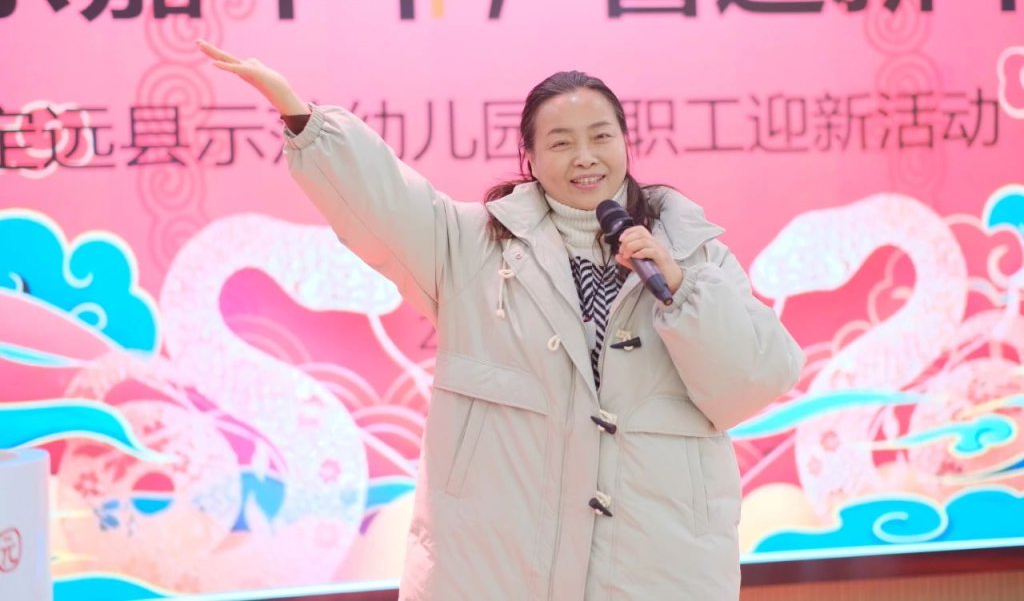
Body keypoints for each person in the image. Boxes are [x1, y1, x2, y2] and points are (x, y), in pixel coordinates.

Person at [197, 39, 805, 600]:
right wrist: (304, 120)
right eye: (561, 142)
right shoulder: (471, 246)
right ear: (530, 157)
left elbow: (755, 379)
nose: (585, 157)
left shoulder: (692, 253)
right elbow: (386, 200)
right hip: (501, 565)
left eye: (601, 136)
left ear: (625, 141)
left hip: (657, 567)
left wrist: (682, 291)